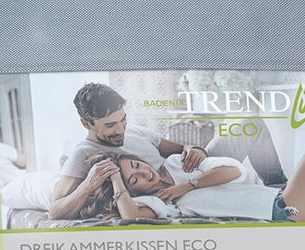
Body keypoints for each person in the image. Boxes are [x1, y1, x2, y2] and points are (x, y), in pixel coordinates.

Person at [105, 136, 305, 223]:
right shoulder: (160, 202)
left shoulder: (175, 163)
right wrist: (115, 178)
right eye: (134, 180)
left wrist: (187, 185)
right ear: (134, 192)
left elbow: (233, 172)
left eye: (137, 165)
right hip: (285, 210)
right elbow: (130, 215)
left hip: (279, 197)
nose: (142, 173)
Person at [48, 83, 206, 221]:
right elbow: (54, 212)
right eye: (110, 125)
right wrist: (87, 186)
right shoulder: (83, 154)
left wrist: (194, 150)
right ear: (86, 124)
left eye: (123, 120)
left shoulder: (136, 132)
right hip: (170, 204)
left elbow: (183, 148)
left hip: (192, 180)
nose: (120, 130)